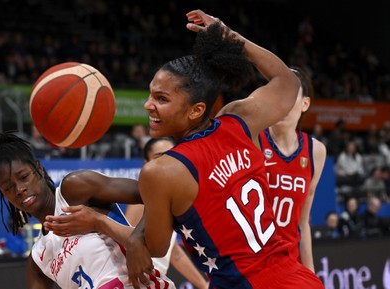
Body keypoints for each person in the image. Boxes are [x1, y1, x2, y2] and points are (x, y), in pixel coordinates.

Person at [45, 9, 324, 289]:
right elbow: (287, 82)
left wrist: (98, 221)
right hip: (297, 277)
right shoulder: (239, 120)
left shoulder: (162, 170)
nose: (148, 105)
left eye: (161, 98)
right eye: (151, 94)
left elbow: (154, 247)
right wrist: (231, 37)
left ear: (196, 110)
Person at [0, 130, 175, 289]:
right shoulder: (38, 259)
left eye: (24, 177)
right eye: (8, 188)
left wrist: (135, 240)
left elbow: (156, 193)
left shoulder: (74, 189)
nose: (20, 190)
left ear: (38, 169)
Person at [258, 67, 326, 272]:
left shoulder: (316, 151)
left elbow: (303, 223)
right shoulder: (253, 140)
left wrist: (311, 275)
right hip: (251, 264)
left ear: (305, 103)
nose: (281, 101)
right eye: (277, 93)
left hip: (289, 263)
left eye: (289, 94)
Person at [125, 137, 209, 289]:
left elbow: (174, 253)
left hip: (157, 282)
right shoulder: (141, 199)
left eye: (171, 155)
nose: (166, 162)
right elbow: (122, 246)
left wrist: (203, 285)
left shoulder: (174, 196)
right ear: (146, 164)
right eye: (159, 156)